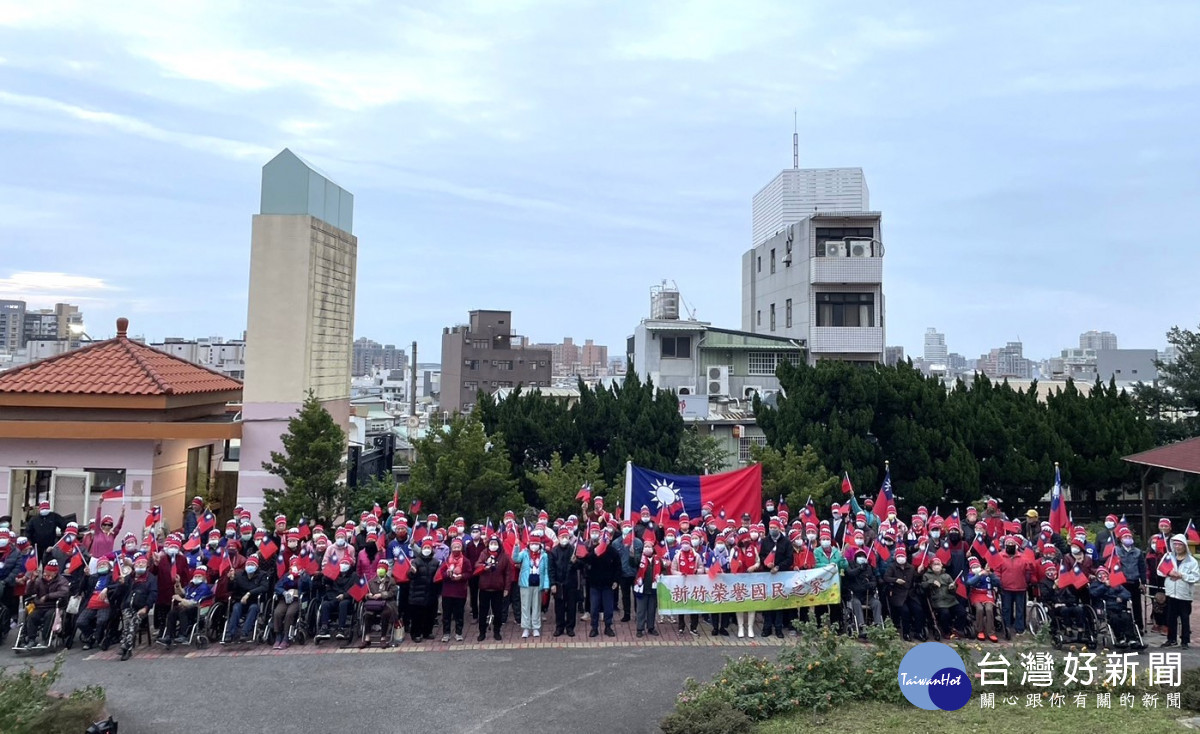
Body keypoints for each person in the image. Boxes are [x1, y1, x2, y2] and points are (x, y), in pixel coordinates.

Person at [1159, 534, 1199, 649]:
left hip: (1184, 594)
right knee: (1170, 617)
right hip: (1171, 593)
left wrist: (1182, 576)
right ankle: (1171, 639)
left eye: (1180, 544)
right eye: (1175, 544)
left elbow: (1196, 577)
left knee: (1184, 618)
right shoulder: (1168, 557)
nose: (1177, 547)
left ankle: (1185, 641)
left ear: (1184, 546)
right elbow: (1159, 570)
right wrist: (1169, 573)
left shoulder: (1192, 561)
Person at [160, 565, 213, 649]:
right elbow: (182, 592)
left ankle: (183, 635)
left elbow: (193, 603)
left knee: (182, 612)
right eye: (195, 576)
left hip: (198, 608)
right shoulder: (191, 586)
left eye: (199, 576)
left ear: (203, 578)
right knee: (172, 612)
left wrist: (180, 599)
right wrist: (178, 583)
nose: (197, 578)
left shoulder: (204, 587)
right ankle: (169, 636)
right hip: (186, 606)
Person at [1090, 568, 1143, 650]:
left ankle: (1132, 640)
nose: (1103, 576)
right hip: (1106, 608)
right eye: (1100, 574)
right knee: (1115, 619)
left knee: (1127, 617)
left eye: (1105, 574)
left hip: (1119, 606)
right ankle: (1120, 639)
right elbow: (1094, 594)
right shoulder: (1095, 585)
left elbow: (1127, 593)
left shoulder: (1115, 583)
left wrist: (1121, 597)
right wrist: (1104, 586)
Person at [116, 555, 157, 661]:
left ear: (146, 565)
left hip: (141, 607)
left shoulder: (151, 578)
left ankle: (126, 648)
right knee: (126, 625)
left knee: (133, 624)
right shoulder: (129, 577)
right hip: (127, 605)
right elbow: (120, 593)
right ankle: (126, 647)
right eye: (138, 563)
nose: (140, 565)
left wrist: (146, 607)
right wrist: (122, 584)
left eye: (143, 563)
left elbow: (153, 594)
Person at [582, 529, 621, 638]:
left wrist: (616, 581)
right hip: (594, 584)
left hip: (608, 585)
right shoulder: (593, 550)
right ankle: (594, 628)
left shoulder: (613, 552)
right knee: (594, 608)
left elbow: (618, 567)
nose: (605, 541)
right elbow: (586, 561)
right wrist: (594, 553)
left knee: (608, 608)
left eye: (607, 539)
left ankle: (608, 627)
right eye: (603, 539)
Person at [760, 518, 794, 638]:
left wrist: (778, 567)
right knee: (768, 602)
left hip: (781, 575)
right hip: (768, 575)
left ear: (779, 528)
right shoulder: (765, 541)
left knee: (779, 603)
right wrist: (766, 564)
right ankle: (767, 627)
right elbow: (761, 555)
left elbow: (790, 559)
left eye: (775, 528)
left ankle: (778, 628)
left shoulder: (786, 542)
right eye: (771, 528)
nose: (773, 530)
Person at [513, 531, 551, 638]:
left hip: (538, 583)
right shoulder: (524, 553)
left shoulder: (544, 556)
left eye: (536, 544)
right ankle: (525, 628)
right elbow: (515, 558)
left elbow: (546, 571)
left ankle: (535, 627)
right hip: (526, 583)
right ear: (529, 544)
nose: (534, 546)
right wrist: (516, 546)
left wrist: (546, 585)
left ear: (540, 545)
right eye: (532, 544)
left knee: (536, 606)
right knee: (525, 606)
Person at [24, 558, 69, 647]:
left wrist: (48, 596)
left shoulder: (62, 581)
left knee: (49, 616)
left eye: (49, 572)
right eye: (45, 571)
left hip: (53, 606)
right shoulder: (39, 580)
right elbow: (29, 592)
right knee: (32, 616)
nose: (46, 574)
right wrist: (32, 581)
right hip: (40, 606)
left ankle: (45, 638)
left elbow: (64, 592)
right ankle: (31, 639)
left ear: (55, 573)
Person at [992, 535, 1033, 634]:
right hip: (1005, 587)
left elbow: (1028, 571)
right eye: (1008, 544)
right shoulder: (1000, 556)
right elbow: (997, 572)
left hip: (1020, 588)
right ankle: (1007, 627)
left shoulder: (1023, 557)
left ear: (1016, 546)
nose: (1010, 546)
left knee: (1020, 609)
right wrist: (999, 583)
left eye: (1012, 544)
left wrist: (1027, 581)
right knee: (1006, 608)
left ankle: (1020, 628)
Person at [477, 532, 514, 641]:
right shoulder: (484, 553)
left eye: (495, 543)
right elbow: (477, 565)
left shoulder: (504, 556)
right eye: (491, 543)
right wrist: (484, 566)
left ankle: (497, 631)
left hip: (498, 588)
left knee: (498, 612)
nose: (493, 545)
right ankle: (482, 632)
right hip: (484, 588)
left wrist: (507, 588)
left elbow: (508, 573)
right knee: (483, 612)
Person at [225, 555, 269, 644]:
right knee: (236, 608)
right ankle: (229, 634)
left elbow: (264, 587)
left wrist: (249, 593)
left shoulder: (262, 575)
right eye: (248, 564)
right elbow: (231, 589)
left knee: (253, 609)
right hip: (241, 600)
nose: (249, 566)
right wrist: (231, 580)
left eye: (252, 564)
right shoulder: (239, 575)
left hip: (254, 601)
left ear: (256, 567)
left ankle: (244, 633)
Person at [75, 558, 117, 650]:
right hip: (92, 603)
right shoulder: (93, 577)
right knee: (80, 622)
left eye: (104, 564)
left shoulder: (113, 576)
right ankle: (91, 636)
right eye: (99, 565)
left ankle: (96, 638)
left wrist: (107, 589)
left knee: (101, 620)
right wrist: (85, 576)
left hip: (105, 603)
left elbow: (118, 585)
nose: (101, 566)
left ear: (109, 566)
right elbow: (82, 588)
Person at [884, 548, 923, 641]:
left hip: (910, 594)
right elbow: (886, 577)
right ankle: (906, 633)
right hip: (898, 594)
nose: (901, 558)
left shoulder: (911, 567)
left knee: (919, 610)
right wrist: (896, 580)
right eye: (899, 556)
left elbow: (916, 579)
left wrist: (919, 572)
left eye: (903, 556)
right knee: (905, 612)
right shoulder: (892, 567)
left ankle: (918, 632)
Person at [1113, 527, 1147, 633]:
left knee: (1137, 606)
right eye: (1125, 536)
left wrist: (1143, 582)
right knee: (1121, 605)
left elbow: (1142, 568)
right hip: (1122, 582)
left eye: (1129, 536)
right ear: (1121, 539)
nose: (1128, 538)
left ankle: (1138, 627)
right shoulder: (1116, 551)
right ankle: (1123, 627)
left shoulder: (1137, 552)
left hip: (1135, 581)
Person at [407, 537, 440, 643]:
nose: (426, 549)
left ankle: (427, 632)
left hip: (431, 593)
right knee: (417, 616)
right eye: (425, 547)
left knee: (430, 615)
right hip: (417, 593)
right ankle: (416, 634)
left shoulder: (435, 562)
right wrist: (412, 572)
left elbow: (438, 576)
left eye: (428, 547)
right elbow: (409, 575)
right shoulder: (415, 561)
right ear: (421, 549)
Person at [439, 537, 473, 642]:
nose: (456, 549)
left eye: (458, 547)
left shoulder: (466, 561)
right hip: (447, 592)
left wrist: (461, 576)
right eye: (454, 547)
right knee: (446, 615)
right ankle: (446, 633)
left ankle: (458, 632)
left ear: (462, 548)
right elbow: (441, 573)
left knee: (459, 614)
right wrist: (447, 574)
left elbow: (469, 573)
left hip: (460, 592)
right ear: (451, 548)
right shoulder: (446, 561)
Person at [548, 529, 579, 638]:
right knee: (559, 607)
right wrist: (552, 584)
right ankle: (559, 627)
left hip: (571, 583)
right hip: (558, 583)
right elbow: (551, 569)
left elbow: (579, 566)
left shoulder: (573, 550)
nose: (564, 539)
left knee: (571, 607)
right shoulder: (554, 551)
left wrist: (576, 562)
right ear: (558, 537)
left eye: (566, 536)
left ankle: (570, 627)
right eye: (562, 537)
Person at [844, 547, 882, 638]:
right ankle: (861, 626)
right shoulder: (850, 565)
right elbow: (849, 574)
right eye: (859, 556)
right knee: (856, 603)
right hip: (855, 594)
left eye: (863, 556)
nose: (861, 558)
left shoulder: (869, 568)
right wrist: (860, 569)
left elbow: (874, 581)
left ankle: (878, 625)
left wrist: (871, 585)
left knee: (877, 603)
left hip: (867, 595)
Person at [921, 558, 963, 639]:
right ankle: (946, 631)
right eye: (934, 564)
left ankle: (956, 629)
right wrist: (931, 582)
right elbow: (923, 585)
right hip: (938, 601)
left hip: (950, 599)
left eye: (938, 564)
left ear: (941, 565)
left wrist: (952, 587)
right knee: (945, 614)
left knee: (962, 612)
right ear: (931, 566)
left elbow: (954, 589)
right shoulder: (926, 575)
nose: (937, 566)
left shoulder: (947, 576)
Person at [271, 560, 308, 650]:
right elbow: (277, 586)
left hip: (297, 599)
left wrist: (302, 577)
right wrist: (284, 592)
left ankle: (286, 637)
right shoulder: (287, 575)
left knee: (290, 613)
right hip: (285, 598)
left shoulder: (304, 575)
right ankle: (278, 635)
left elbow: (308, 587)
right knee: (277, 612)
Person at [317, 557, 358, 640]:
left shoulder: (354, 575)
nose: (344, 565)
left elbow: (355, 590)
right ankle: (324, 627)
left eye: (346, 564)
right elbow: (326, 581)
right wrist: (326, 574)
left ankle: (341, 629)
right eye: (342, 563)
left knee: (343, 604)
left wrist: (344, 595)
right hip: (334, 597)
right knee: (325, 604)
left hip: (346, 598)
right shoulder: (335, 573)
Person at [361, 559, 397, 649]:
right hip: (374, 604)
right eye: (379, 568)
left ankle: (383, 638)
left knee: (385, 614)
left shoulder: (391, 581)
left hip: (387, 603)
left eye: (382, 568)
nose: (380, 570)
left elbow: (392, 593)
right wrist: (368, 596)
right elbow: (365, 595)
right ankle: (367, 638)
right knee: (367, 614)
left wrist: (381, 595)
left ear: (385, 570)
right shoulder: (371, 581)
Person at [671, 534, 701, 635]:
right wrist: (680, 574)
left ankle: (694, 627)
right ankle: (681, 626)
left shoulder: (696, 556)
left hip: (694, 584)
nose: (685, 545)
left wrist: (697, 571)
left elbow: (702, 568)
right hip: (682, 584)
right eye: (683, 543)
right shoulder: (677, 556)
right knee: (681, 605)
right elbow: (673, 569)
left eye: (687, 543)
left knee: (694, 606)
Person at [966, 557, 998, 643]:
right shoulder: (971, 574)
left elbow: (997, 583)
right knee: (979, 609)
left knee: (989, 609)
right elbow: (969, 582)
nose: (976, 567)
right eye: (974, 566)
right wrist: (979, 575)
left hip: (987, 594)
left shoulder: (987, 572)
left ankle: (991, 632)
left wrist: (990, 574)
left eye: (977, 566)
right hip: (976, 594)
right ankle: (980, 630)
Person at [634, 540, 662, 637]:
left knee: (651, 610)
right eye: (645, 546)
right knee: (641, 610)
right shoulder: (639, 558)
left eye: (649, 546)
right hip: (642, 588)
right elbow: (632, 562)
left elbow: (663, 569)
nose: (647, 548)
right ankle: (639, 628)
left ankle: (651, 627)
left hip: (653, 588)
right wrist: (631, 553)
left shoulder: (657, 559)